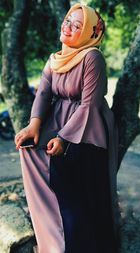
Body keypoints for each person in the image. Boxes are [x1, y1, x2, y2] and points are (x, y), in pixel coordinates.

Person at [15, 3, 120, 253]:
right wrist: (34, 125)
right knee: (30, 149)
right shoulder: (55, 59)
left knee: (74, 193)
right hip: (58, 125)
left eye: (77, 25)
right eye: (67, 21)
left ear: (89, 33)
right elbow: (43, 93)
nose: (68, 27)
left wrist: (64, 139)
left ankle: (78, 246)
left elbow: (89, 105)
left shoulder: (92, 57)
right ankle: (54, 240)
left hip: (87, 131)